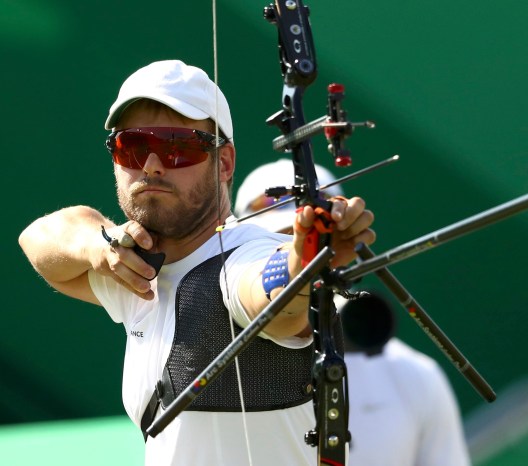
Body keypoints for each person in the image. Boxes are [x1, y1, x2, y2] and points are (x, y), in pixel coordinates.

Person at [18, 60, 375, 466]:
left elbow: (270, 296)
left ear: (223, 163)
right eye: (132, 146)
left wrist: (305, 259)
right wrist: (98, 248)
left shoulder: (242, 256)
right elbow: (37, 239)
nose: (151, 165)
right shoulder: (134, 267)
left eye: (176, 147)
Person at [235, 161, 471, 466]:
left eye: (318, 248)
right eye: (284, 252)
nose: (303, 269)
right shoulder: (210, 370)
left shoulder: (414, 377)